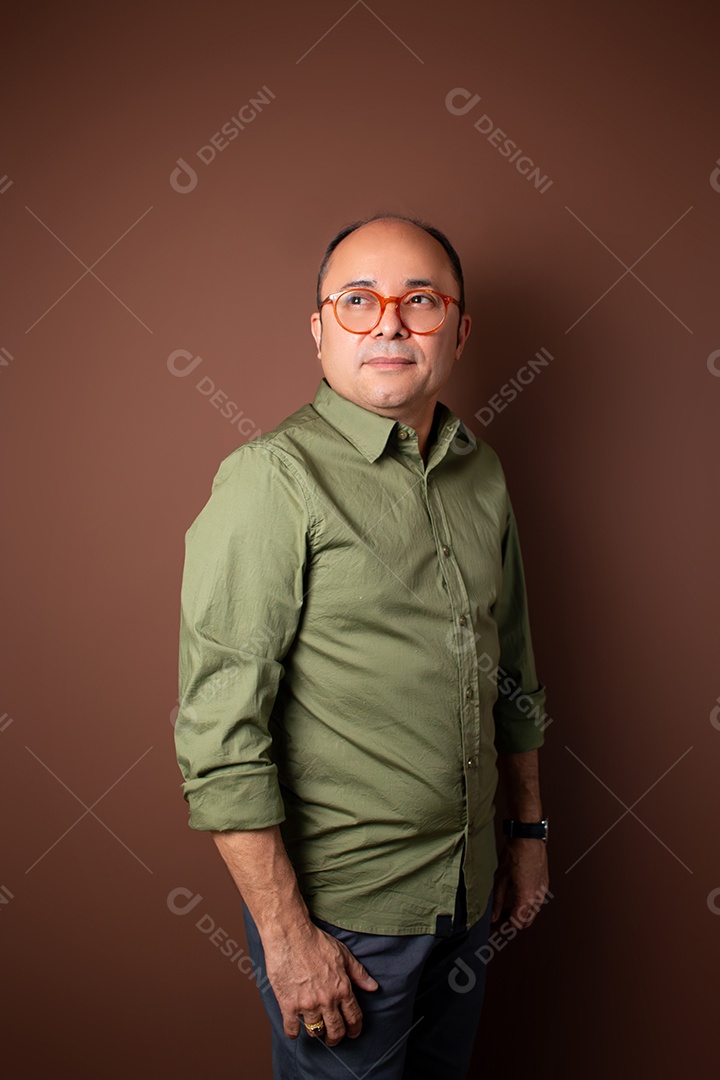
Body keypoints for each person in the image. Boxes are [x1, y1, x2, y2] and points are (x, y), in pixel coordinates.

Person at [174, 214, 549, 1079]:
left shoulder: (480, 471)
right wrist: (286, 936)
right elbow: (218, 734)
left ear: (458, 328)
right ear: (319, 330)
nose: (389, 322)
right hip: (344, 919)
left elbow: (515, 669)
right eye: (358, 300)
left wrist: (526, 834)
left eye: (419, 299)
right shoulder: (272, 478)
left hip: (468, 886)